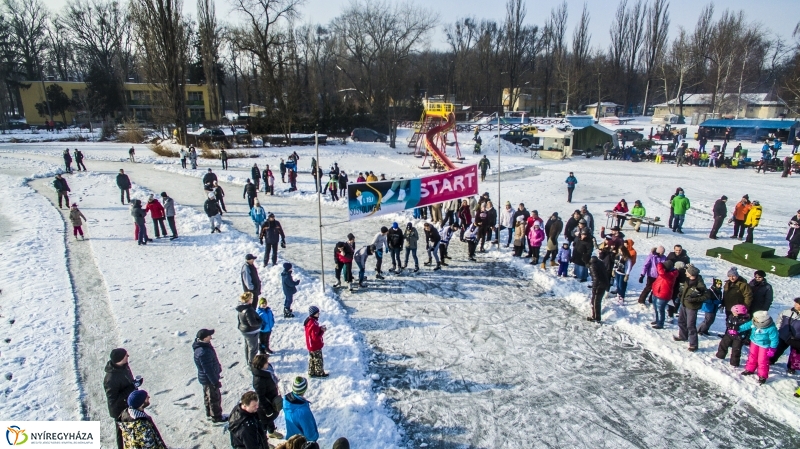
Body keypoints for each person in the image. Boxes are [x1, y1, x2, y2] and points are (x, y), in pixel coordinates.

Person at [193, 328, 227, 423]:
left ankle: (209, 413)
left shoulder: (202, 346)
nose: (211, 337)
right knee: (214, 398)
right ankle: (216, 417)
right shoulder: (203, 352)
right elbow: (208, 370)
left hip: (205, 378)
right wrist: (215, 382)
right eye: (209, 336)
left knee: (208, 396)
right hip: (209, 379)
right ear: (204, 338)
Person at [739, 310, 780, 384]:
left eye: (756, 318)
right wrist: (737, 329)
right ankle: (750, 369)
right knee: (752, 356)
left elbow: (774, 339)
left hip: (765, 345)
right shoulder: (754, 322)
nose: (754, 318)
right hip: (754, 342)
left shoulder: (771, 328)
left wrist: (772, 348)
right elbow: (747, 325)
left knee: (762, 360)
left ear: (762, 320)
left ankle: (762, 375)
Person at [673, 265, 708, 352]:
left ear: (691, 274)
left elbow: (706, 296)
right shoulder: (688, 280)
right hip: (684, 304)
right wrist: (681, 294)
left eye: (687, 271)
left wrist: (694, 300)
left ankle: (693, 344)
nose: (685, 272)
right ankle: (683, 336)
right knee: (681, 321)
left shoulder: (700, 285)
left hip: (692, 307)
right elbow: (685, 290)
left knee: (690, 325)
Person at [250, 354, 283, 439]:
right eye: (266, 363)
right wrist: (267, 410)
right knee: (264, 423)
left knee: (270, 419)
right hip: (265, 406)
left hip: (271, 400)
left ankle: (271, 431)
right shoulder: (259, 381)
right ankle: (264, 441)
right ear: (261, 365)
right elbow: (260, 397)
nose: (268, 364)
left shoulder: (267, 372)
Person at [104, 348, 141, 422]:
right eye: (126, 355)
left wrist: (135, 383)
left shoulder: (124, 366)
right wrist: (132, 386)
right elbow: (114, 400)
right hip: (121, 413)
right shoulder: (110, 379)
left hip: (130, 406)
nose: (128, 356)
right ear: (120, 359)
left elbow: (128, 381)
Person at [769, 298, 800, 374]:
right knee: (778, 349)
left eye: (798, 304)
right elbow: (779, 320)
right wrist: (778, 328)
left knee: (795, 354)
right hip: (783, 335)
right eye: (796, 303)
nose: (796, 305)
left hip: (796, 339)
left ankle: (791, 367)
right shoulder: (787, 312)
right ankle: (771, 360)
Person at [283, 377, 319, 442]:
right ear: (304, 390)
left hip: (290, 439)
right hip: (300, 443)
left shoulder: (286, 400)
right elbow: (310, 435)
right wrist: (315, 437)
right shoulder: (303, 411)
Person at [652, 260, 679, 329]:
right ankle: (657, 320)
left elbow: (661, 273)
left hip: (663, 295)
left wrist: (660, 264)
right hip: (656, 292)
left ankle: (660, 324)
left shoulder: (671, 275)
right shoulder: (666, 272)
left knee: (660, 310)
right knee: (656, 308)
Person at [237, 292, 263, 364]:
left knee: (248, 346)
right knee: (253, 349)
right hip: (251, 332)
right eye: (251, 298)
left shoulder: (241, 308)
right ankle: (252, 364)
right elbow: (253, 323)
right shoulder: (248, 310)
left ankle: (248, 361)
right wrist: (260, 322)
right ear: (248, 300)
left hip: (244, 330)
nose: (252, 299)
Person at [304, 306, 328, 378]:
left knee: (312, 359)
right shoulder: (313, 324)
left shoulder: (309, 321)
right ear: (313, 314)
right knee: (318, 360)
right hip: (315, 346)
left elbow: (313, 332)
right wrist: (322, 331)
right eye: (317, 313)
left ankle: (311, 372)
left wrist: (319, 328)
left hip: (310, 345)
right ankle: (319, 373)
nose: (319, 314)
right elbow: (315, 338)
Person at [587, 255, 608, 323]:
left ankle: (596, 317)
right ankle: (596, 316)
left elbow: (596, 279)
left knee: (595, 302)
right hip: (604, 284)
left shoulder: (592, 266)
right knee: (596, 301)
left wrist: (594, 287)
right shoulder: (600, 262)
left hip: (599, 286)